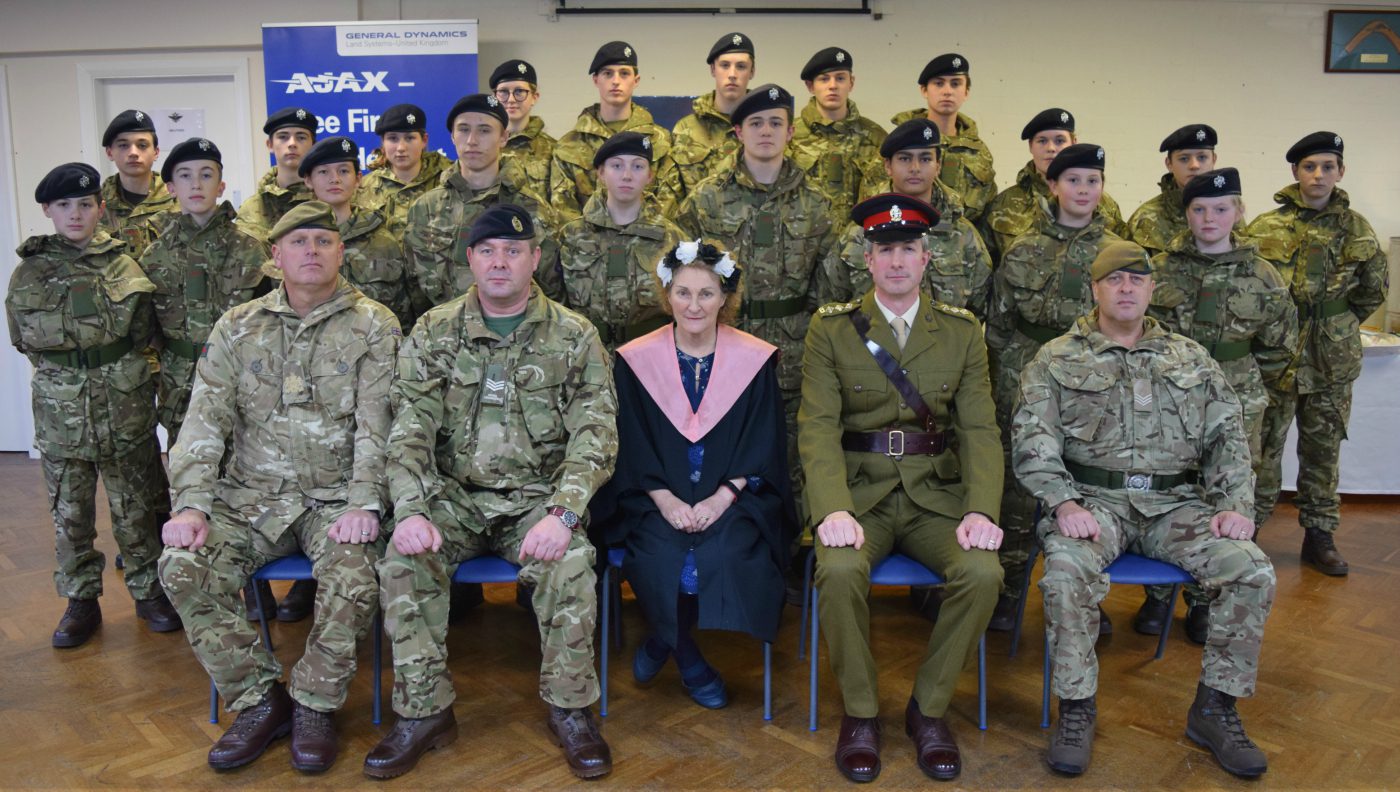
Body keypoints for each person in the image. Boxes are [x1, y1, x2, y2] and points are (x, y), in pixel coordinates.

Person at [365, 205, 618, 781]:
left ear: (535, 259)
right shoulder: (433, 331)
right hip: (452, 497)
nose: (499, 261)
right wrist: (409, 509)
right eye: (487, 251)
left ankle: (570, 708)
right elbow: (406, 431)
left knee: (572, 562)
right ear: (470, 260)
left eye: (513, 250)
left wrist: (563, 513)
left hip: (537, 499)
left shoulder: (575, 336)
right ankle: (424, 714)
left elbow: (596, 434)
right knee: (403, 559)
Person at [1012, 240, 1276, 779]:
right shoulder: (1057, 357)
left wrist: (1235, 505)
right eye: (1114, 279)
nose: (1126, 287)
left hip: (1174, 505)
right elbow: (1031, 438)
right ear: (1095, 289)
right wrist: (1062, 502)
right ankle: (1077, 708)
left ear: (1152, 289)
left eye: (1137, 279)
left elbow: (1229, 436)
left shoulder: (1190, 358)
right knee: (1064, 573)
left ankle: (1215, 709)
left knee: (1250, 569)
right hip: (1092, 502)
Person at [158, 201, 400, 773]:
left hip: (336, 501)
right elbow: (203, 422)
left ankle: (314, 703)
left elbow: (379, 424)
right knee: (181, 565)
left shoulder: (375, 324)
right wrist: (192, 505)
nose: (311, 251)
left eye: (322, 240)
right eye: (298, 242)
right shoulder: (237, 325)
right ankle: (260, 700)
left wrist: (365, 502)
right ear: (276, 255)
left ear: (342, 251)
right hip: (249, 498)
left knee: (354, 571)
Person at [799, 192, 1003, 783]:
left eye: (907, 249)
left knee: (984, 572)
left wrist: (981, 510)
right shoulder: (832, 330)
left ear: (926, 257)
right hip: (858, 495)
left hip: (934, 497)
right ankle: (860, 714)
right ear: (867, 259)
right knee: (836, 571)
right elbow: (816, 426)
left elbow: (981, 430)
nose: (896, 261)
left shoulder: (962, 334)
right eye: (884, 250)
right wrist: (831, 508)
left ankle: (929, 710)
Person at [609, 240, 795, 709]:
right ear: (667, 294)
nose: (694, 305)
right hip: (653, 494)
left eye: (707, 294)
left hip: (732, 494)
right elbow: (628, 439)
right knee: (657, 555)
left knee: (729, 550)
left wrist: (721, 497)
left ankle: (658, 641)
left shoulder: (753, 361)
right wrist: (665, 498)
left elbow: (763, 441)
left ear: (725, 300)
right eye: (684, 292)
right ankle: (689, 659)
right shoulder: (635, 360)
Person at [6, 162, 179, 648]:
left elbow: (147, 333)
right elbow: (23, 339)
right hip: (62, 411)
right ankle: (80, 600)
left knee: (137, 505)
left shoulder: (126, 264)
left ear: (100, 208)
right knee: (71, 512)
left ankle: (149, 591)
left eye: (85, 204)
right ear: (48, 210)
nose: (76, 213)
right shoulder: (30, 271)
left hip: (123, 403)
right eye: (64, 205)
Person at [1132, 167, 1297, 640]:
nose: (1210, 218)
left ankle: (1205, 601)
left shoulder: (1263, 275)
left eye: (1221, 209)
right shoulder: (1159, 269)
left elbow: (1280, 345)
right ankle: (1157, 597)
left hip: (1238, 395)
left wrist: (1239, 380)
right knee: (1165, 491)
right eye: (1199, 209)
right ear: (1186, 214)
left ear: (1239, 212)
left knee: (1223, 492)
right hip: (1167, 398)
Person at [985, 143, 1121, 632]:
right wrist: (1007, 375)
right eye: (1073, 180)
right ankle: (1010, 585)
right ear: (1053, 185)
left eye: (1093, 180)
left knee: (1090, 480)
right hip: (1025, 370)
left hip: (1093, 376)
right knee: (1019, 484)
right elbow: (999, 322)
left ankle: (1088, 590)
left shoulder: (1117, 252)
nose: (1083, 190)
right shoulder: (1023, 247)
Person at [676, 84, 835, 482]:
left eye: (776, 123)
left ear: (791, 132)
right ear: (738, 132)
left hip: (794, 348)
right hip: (725, 341)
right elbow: (684, 278)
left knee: (795, 451)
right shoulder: (706, 199)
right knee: (723, 445)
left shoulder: (817, 203)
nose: (766, 131)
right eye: (756, 123)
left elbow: (829, 284)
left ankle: (796, 539)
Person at [1246, 131, 1388, 576]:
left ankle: (1319, 535)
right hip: (1276, 354)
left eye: (1328, 166)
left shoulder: (1357, 228)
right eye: (1310, 166)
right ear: (1295, 172)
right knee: (1262, 449)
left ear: (1340, 172)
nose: (1319, 175)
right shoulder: (1265, 227)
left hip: (1331, 357)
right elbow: (1247, 285)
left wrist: (1334, 321)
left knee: (1324, 449)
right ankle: (1246, 530)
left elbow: (1373, 291)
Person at [402, 93, 560, 317]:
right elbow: (413, 291)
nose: (472, 140)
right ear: (452, 137)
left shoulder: (532, 208)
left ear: (504, 137)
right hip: (442, 341)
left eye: (484, 130)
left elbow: (551, 290)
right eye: (464, 129)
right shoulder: (425, 208)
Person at [819, 119, 992, 320]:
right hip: (871, 347)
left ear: (938, 166)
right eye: (904, 158)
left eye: (926, 158)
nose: (915, 167)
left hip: (942, 348)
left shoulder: (963, 235)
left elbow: (978, 308)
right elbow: (831, 301)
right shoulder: (859, 233)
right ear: (888, 166)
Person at [557, 131, 685, 350]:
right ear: (601, 173)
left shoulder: (671, 238)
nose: (627, 175)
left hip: (651, 353)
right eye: (617, 166)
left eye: (637, 166)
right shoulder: (571, 236)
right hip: (585, 353)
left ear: (650, 176)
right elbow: (556, 302)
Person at [549, 41, 681, 220]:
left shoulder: (660, 140)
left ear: (636, 81)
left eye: (624, 73)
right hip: (584, 245)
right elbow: (563, 208)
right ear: (596, 80)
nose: (616, 81)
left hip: (647, 242)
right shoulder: (569, 145)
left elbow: (668, 201)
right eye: (608, 73)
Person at [980, 108, 1127, 265]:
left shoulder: (1104, 205)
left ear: (1073, 143)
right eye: (1042, 141)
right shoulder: (1002, 205)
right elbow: (988, 268)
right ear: (1031, 146)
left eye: (1059, 140)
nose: (1051, 148)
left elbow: (1123, 259)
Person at [301, 135, 413, 328]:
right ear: (308, 180)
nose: (334, 179)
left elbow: (402, 316)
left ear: (358, 179)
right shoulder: (296, 241)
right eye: (323, 172)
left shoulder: (383, 241)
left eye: (344, 171)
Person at [888, 54, 995, 223]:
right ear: (924, 90)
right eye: (939, 83)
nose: (947, 91)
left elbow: (987, 214)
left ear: (966, 92)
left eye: (955, 84)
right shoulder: (898, 145)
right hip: (902, 239)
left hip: (958, 243)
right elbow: (873, 197)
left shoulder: (980, 153)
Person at [787, 46, 887, 225]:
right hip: (802, 244)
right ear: (811, 86)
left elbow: (885, 195)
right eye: (824, 79)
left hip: (858, 244)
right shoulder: (790, 134)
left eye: (840, 78)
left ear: (851, 83)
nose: (832, 86)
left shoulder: (875, 136)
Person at [671, 32, 756, 199]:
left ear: (752, 72)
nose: (732, 74)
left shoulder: (765, 128)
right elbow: (673, 193)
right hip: (695, 222)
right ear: (713, 70)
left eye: (741, 66)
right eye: (725, 65)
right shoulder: (685, 129)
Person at [357, 103, 452, 237]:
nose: (401, 147)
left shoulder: (448, 181)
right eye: (392, 138)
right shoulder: (363, 188)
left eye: (409, 138)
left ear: (424, 140)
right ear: (383, 142)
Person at [1126, 124, 1218, 257]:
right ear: (1169, 164)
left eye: (1202, 157)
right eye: (1184, 159)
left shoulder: (1228, 214)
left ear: (1214, 160)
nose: (1194, 165)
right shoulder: (1145, 218)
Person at [99, 108, 178, 258]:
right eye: (123, 145)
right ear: (110, 153)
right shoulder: (95, 206)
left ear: (156, 152)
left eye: (142, 145)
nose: (133, 152)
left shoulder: (179, 199)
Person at [235, 106, 318, 244]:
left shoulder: (328, 198)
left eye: (301, 137)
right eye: (283, 137)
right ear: (270, 145)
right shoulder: (252, 208)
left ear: (313, 146)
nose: (292, 143)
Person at [492, 59, 556, 200]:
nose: (511, 99)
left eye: (519, 91)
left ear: (534, 97)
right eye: (503, 92)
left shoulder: (554, 149)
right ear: (494, 98)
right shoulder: (484, 146)